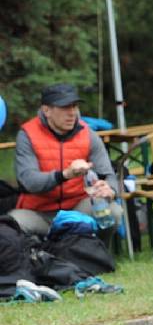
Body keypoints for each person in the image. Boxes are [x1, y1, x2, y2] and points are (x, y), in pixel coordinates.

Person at [10, 83, 122, 244]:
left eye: (74, 106)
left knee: (112, 211)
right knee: (12, 224)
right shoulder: (27, 134)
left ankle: (98, 253)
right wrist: (65, 174)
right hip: (39, 212)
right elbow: (29, 182)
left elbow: (109, 174)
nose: (72, 113)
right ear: (46, 110)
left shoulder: (88, 134)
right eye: (64, 107)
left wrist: (109, 190)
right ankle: (40, 256)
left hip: (78, 208)